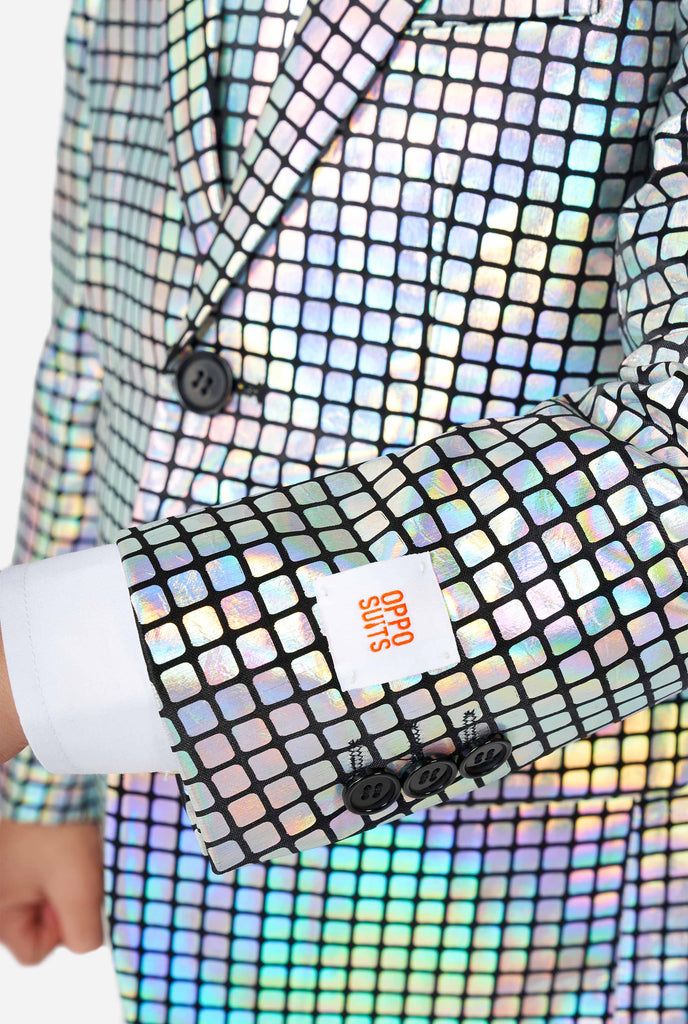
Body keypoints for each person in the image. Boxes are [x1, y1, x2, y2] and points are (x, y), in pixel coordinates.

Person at [1, 0, 687, 1019]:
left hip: (544, 886)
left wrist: (56, 665)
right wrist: (48, 780)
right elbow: (99, 329)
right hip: (178, 876)